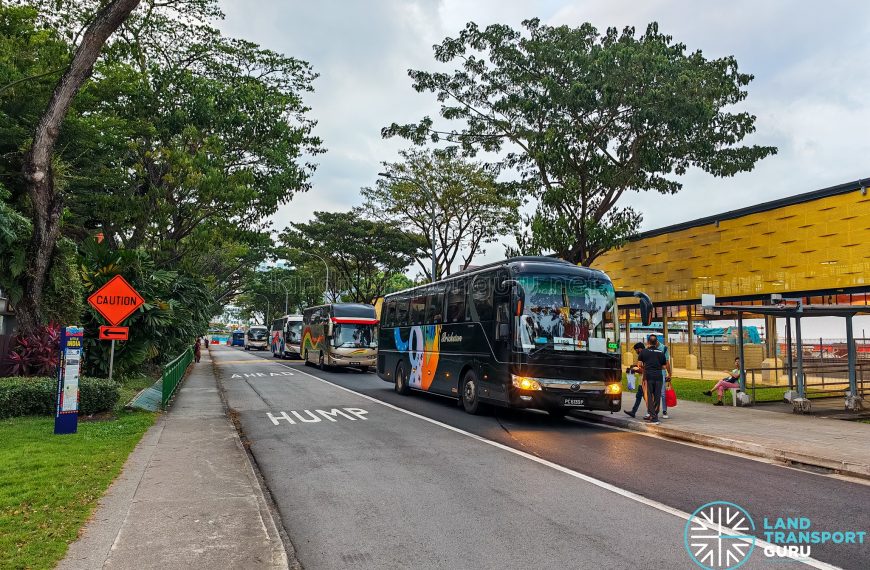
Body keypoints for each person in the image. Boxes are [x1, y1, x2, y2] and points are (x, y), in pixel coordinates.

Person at [636, 336, 669, 424]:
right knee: (657, 396)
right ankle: (655, 415)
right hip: (658, 376)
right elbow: (664, 366)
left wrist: (646, 366)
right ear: (656, 342)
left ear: (648, 342)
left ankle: (653, 416)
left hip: (648, 377)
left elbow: (639, 365)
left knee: (649, 396)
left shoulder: (644, 352)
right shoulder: (661, 352)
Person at [646, 334, 673, 419]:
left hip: (661, 372)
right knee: (651, 393)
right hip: (651, 372)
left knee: (662, 393)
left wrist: (669, 374)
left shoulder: (664, 348)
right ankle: (651, 411)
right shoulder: (648, 348)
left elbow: (667, 363)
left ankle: (664, 410)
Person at [624, 342, 647, 418]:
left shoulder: (644, 355)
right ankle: (634, 411)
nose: (636, 352)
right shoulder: (644, 355)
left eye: (636, 350)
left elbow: (643, 370)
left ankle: (651, 413)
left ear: (640, 349)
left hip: (645, 380)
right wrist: (632, 367)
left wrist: (634, 370)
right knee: (639, 396)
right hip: (642, 381)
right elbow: (640, 367)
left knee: (645, 397)